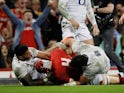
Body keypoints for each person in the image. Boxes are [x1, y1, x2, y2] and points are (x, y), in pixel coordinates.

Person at [92, 0, 124, 72]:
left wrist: (96, 10)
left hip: (108, 26)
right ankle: (95, 69)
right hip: (96, 26)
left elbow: (109, 9)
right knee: (93, 49)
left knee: (108, 51)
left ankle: (122, 68)